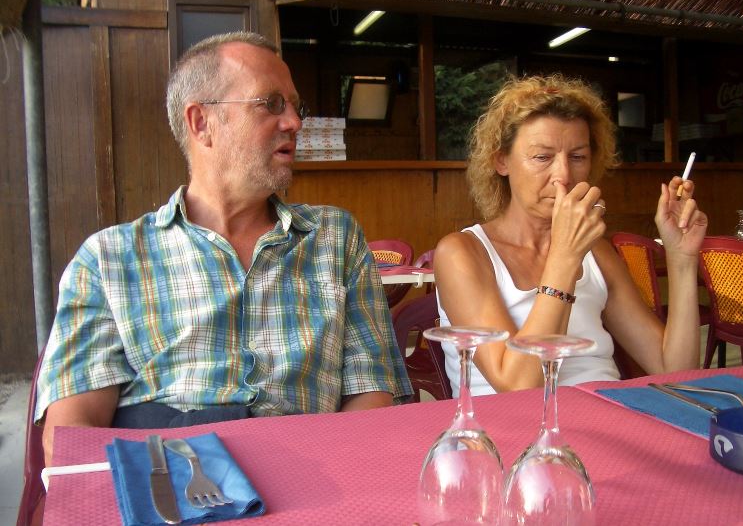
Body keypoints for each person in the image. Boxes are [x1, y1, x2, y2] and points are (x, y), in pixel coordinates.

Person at [35, 32, 413, 464]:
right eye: (272, 103)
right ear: (201, 123)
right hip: (169, 481)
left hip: (312, 472)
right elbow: (71, 437)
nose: (294, 122)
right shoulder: (109, 259)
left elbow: (373, 394)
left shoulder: (334, 238)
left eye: (296, 107)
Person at [435, 74, 707, 397]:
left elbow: (676, 370)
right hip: (512, 426)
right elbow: (518, 386)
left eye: (577, 157)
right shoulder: (462, 252)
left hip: (606, 414)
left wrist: (681, 258)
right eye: (542, 157)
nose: (563, 175)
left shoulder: (597, 253)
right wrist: (564, 258)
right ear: (501, 160)